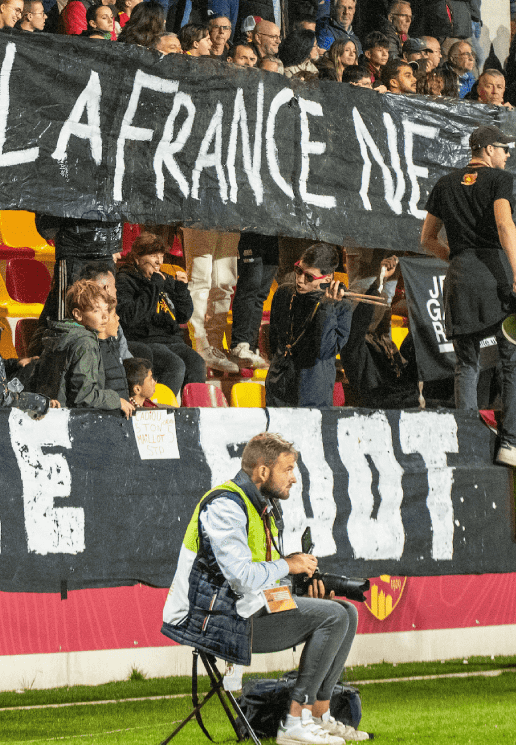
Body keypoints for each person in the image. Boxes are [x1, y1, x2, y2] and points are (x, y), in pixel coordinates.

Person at [161, 432, 364, 745]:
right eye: (288, 470)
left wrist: (298, 587)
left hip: (241, 606)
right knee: (332, 617)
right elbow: (242, 577)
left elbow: (263, 579)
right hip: (210, 618)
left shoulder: (261, 506)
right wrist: (289, 565)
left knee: (345, 611)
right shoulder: (225, 506)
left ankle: (321, 716)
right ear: (263, 471)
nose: (294, 479)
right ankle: (295, 722)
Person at [420, 126, 516, 467]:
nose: (508, 155)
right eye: (504, 148)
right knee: (512, 360)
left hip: (460, 276)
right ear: (486, 149)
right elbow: (504, 226)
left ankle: (466, 440)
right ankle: (510, 444)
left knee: (466, 364)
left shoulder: (445, 183)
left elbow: (427, 239)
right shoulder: (500, 180)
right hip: (493, 271)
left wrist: (457, 258)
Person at [116, 233, 207, 394]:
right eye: (153, 255)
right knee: (174, 364)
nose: (159, 261)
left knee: (196, 362)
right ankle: (159, 408)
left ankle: (192, 411)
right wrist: (153, 287)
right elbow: (130, 316)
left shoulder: (163, 279)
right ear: (137, 258)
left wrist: (181, 290)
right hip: (144, 340)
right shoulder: (124, 280)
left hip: (172, 340)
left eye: (161, 256)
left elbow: (183, 315)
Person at [266, 244, 355, 408]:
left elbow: (325, 350)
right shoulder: (284, 293)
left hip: (312, 394)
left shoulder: (341, 306)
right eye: (298, 270)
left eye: (309, 277)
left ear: (327, 279)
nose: (300, 279)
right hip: (278, 389)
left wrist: (326, 307)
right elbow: (274, 337)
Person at [32, 279, 131, 414]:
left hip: (51, 415)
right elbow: (84, 396)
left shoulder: (59, 334)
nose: (105, 317)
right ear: (77, 314)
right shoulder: (85, 343)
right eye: (96, 310)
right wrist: (116, 400)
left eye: (106, 310)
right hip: (71, 419)